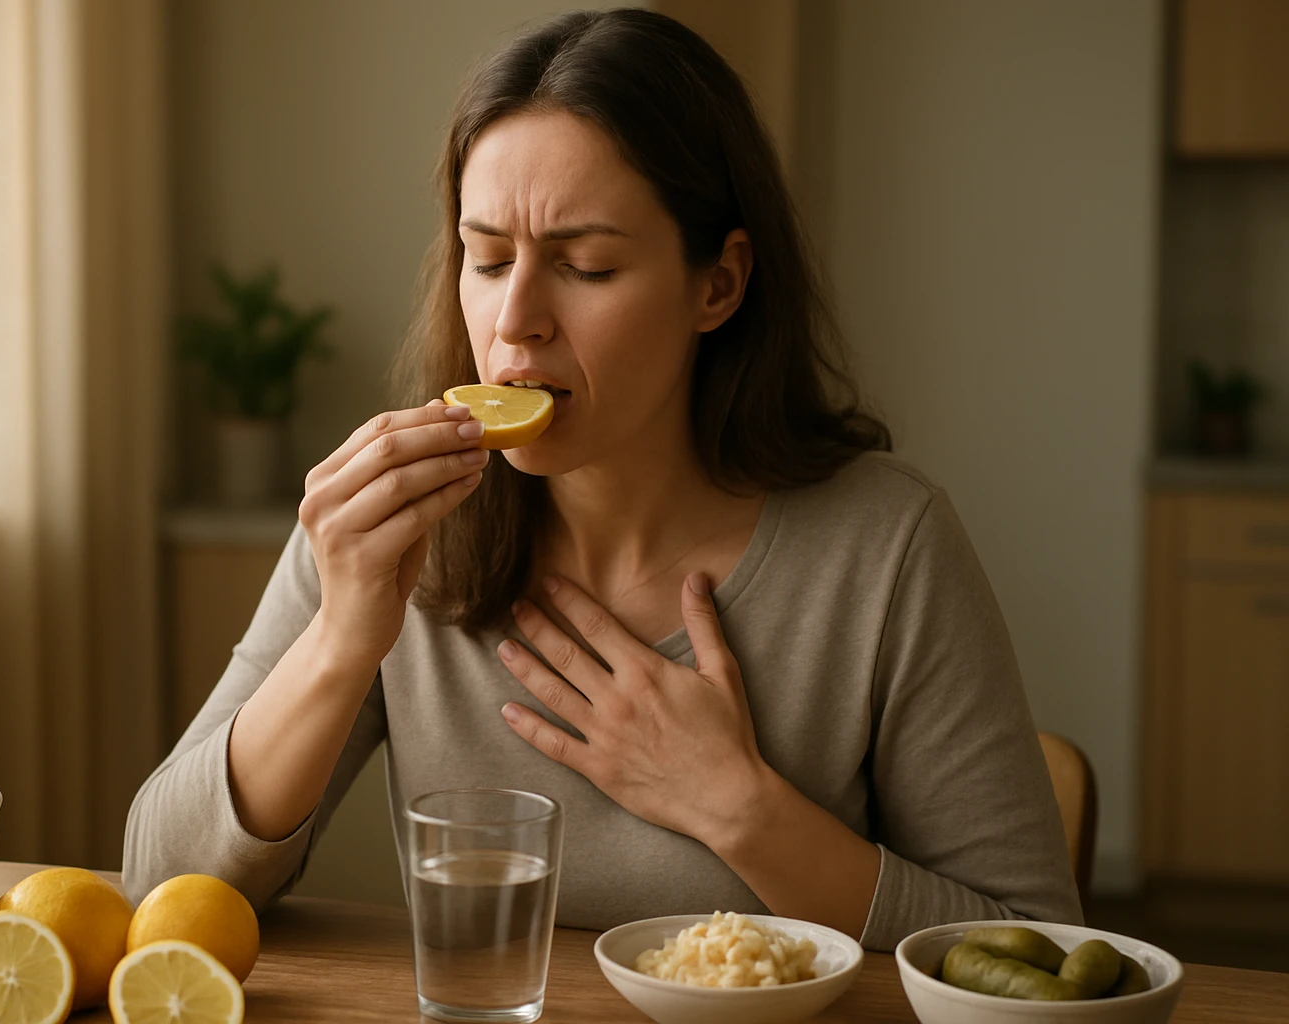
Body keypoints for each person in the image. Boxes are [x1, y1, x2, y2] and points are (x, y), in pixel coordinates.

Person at [124, 8, 1080, 951]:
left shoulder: (886, 546)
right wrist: (338, 642)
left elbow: (1039, 948)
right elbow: (157, 888)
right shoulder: (390, 525)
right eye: (488, 258)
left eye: (584, 265)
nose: (516, 320)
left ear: (720, 285)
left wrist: (739, 808)